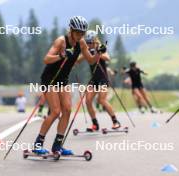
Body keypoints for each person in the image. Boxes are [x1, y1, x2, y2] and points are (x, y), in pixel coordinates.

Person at [33, 16, 106, 155]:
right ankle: (38, 143)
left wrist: (98, 52)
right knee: (55, 112)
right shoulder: (61, 41)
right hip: (50, 78)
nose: (80, 35)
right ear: (71, 30)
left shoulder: (82, 43)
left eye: (82, 33)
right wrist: (61, 55)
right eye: (78, 32)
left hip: (63, 79)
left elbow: (91, 61)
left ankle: (57, 146)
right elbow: (46, 59)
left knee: (67, 110)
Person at [77, 30, 121, 131]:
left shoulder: (100, 47)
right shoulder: (87, 49)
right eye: (87, 42)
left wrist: (99, 53)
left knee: (101, 100)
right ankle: (95, 124)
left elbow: (108, 58)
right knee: (88, 101)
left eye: (90, 42)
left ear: (94, 40)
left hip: (103, 78)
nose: (89, 44)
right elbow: (79, 60)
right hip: (94, 79)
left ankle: (115, 121)